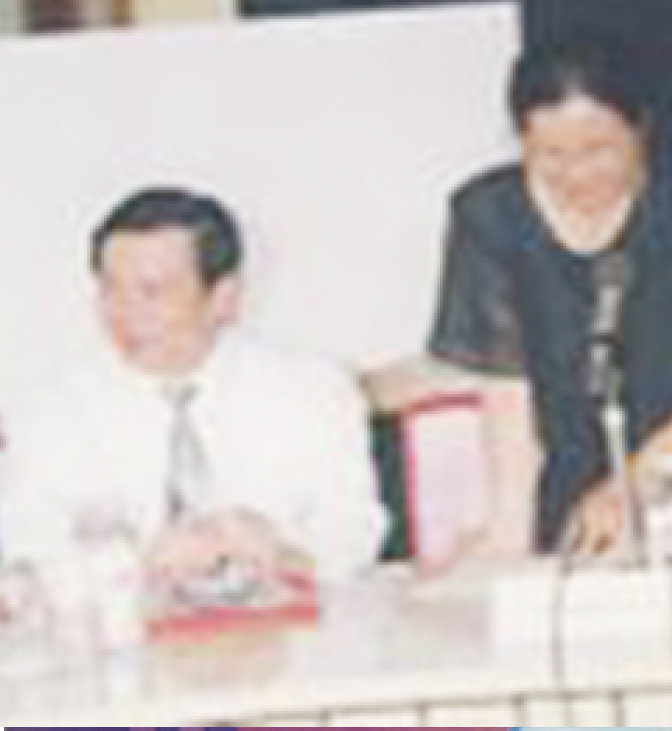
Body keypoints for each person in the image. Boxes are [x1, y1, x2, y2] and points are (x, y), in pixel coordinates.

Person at [427, 38, 672, 557]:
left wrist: (639, 480)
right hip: (570, 479)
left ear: (640, 129)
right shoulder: (489, 215)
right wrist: (508, 536)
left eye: (599, 150)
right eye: (549, 154)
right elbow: (508, 393)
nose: (577, 175)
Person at [0, 187, 386, 592]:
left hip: (286, 623)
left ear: (223, 297)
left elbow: (355, 530)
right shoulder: (53, 408)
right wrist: (140, 562)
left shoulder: (314, 390)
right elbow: (27, 547)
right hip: (121, 624)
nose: (125, 314)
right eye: (109, 289)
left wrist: (284, 554)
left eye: (152, 292)